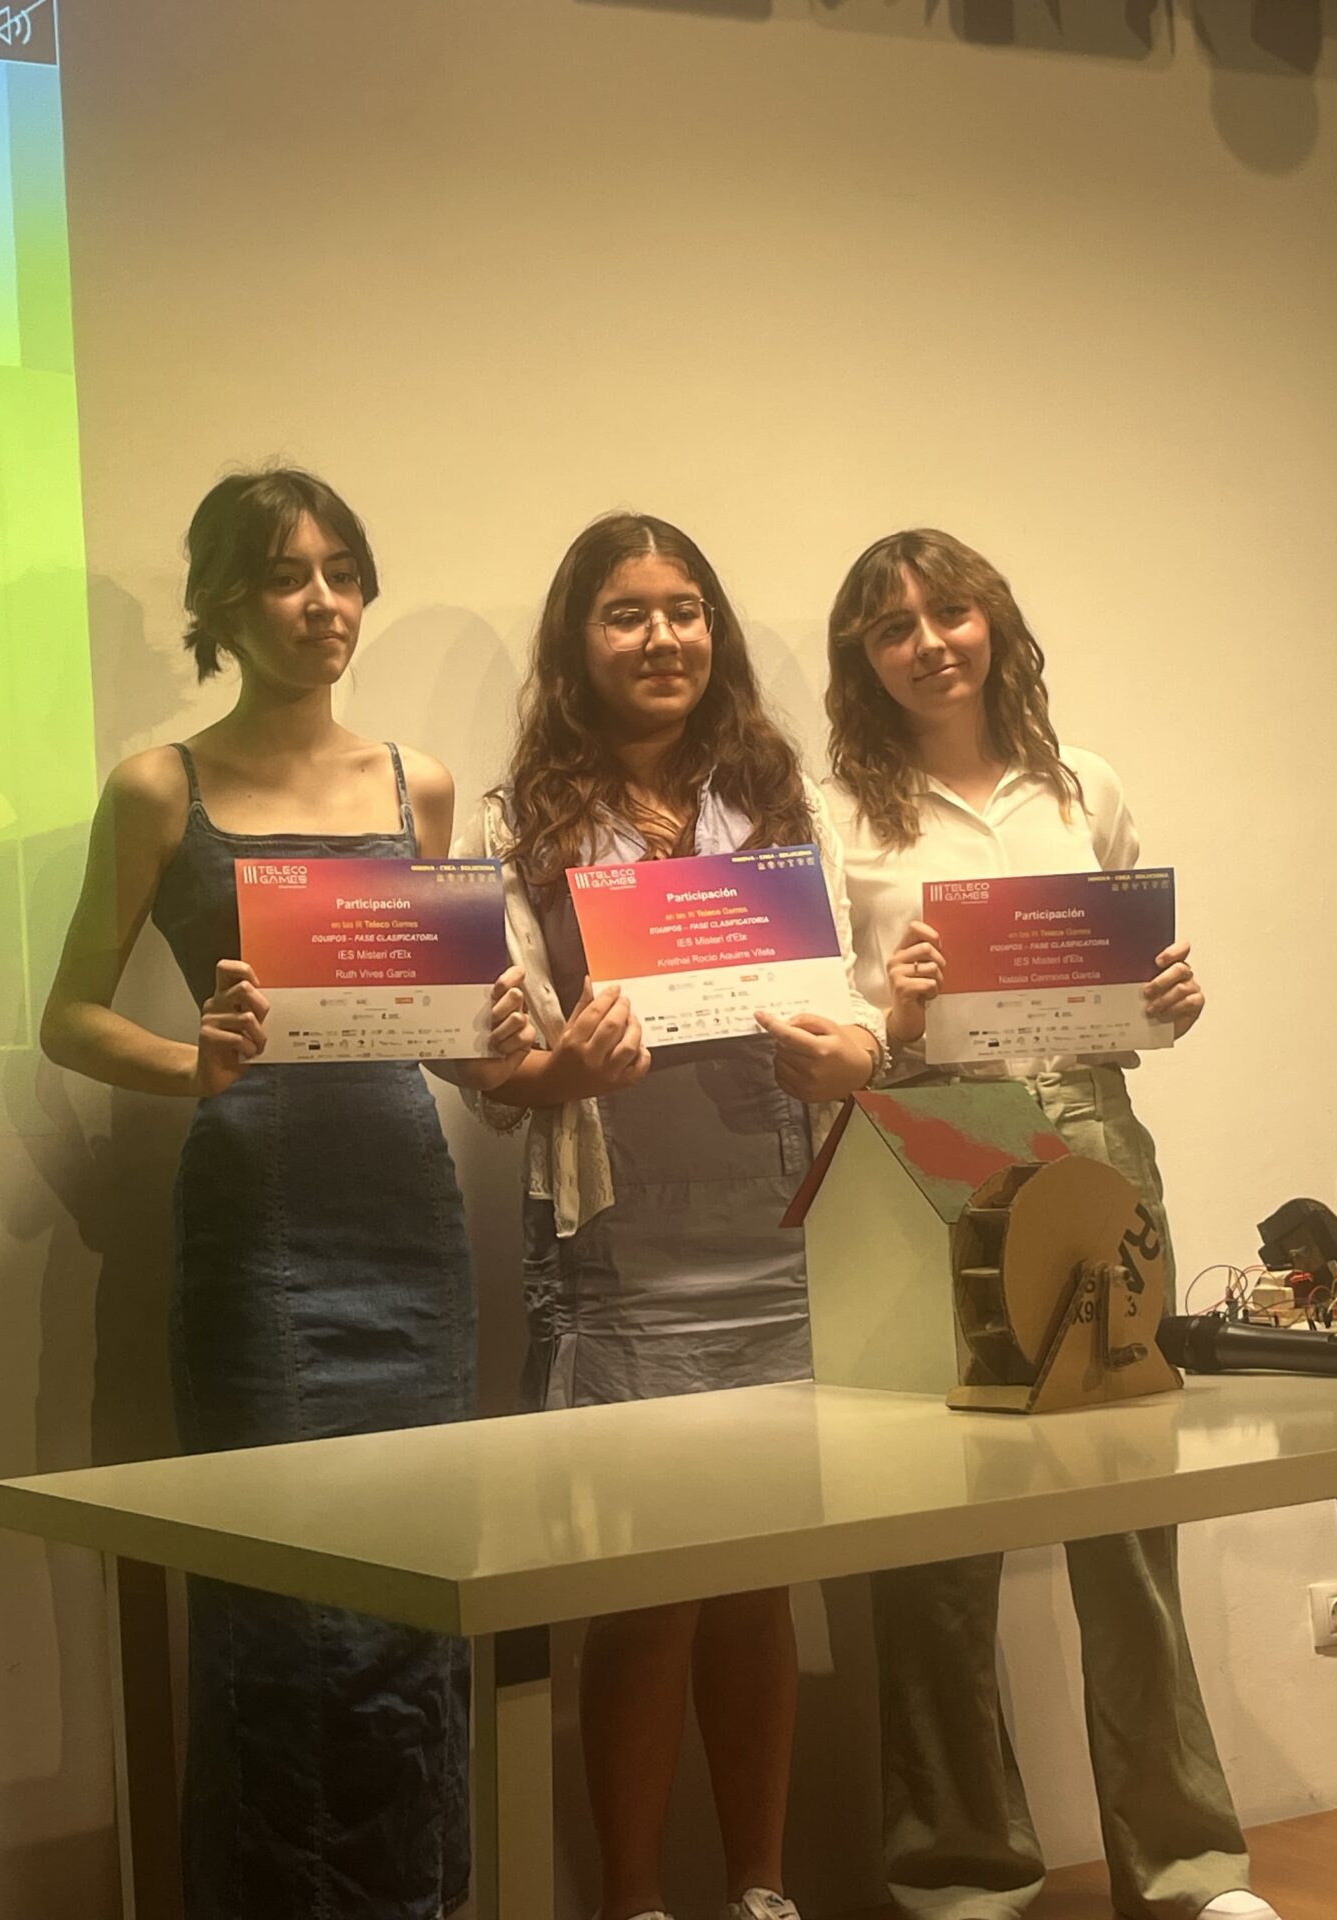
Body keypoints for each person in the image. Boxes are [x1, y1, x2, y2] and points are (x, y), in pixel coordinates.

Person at [38, 467, 531, 1920]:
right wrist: (189, 1063)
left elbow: (438, 1033)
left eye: (343, 573)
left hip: (408, 1215)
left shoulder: (417, 783)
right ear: (220, 605)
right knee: (282, 1594)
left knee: (420, 1579)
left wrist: (493, 1026)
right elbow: (68, 1017)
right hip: (257, 1232)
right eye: (285, 575)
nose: (324, 603)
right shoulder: (159, 788)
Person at [818, 528, 1279, 1920]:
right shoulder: (835, 812)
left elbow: (1128, 991)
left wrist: (1171, 999)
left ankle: (1188, 1869)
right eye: (892, 627)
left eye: (949, 612)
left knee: (1128, 1501)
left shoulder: (1087, 784)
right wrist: (891, 1009)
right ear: (863, 659)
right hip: (936, 1133)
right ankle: (958, 1878)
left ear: (994, 622)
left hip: (1093, 1127)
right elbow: (827, 1018)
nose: (928, 643)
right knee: (934, 1525)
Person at [471, 512, 886, 1920]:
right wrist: (558, 1073)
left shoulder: (782, 800)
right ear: (576, 642)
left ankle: (761, 1891)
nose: (664, 638)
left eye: (686, 609)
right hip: (621, 1250)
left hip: (776, 1233)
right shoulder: (515, 825)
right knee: (646, 1590)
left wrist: (850, 1049)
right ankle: (635, 1904)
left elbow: (850, 1003)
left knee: (762, 1583)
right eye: (627, 613)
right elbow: (489, 1059)